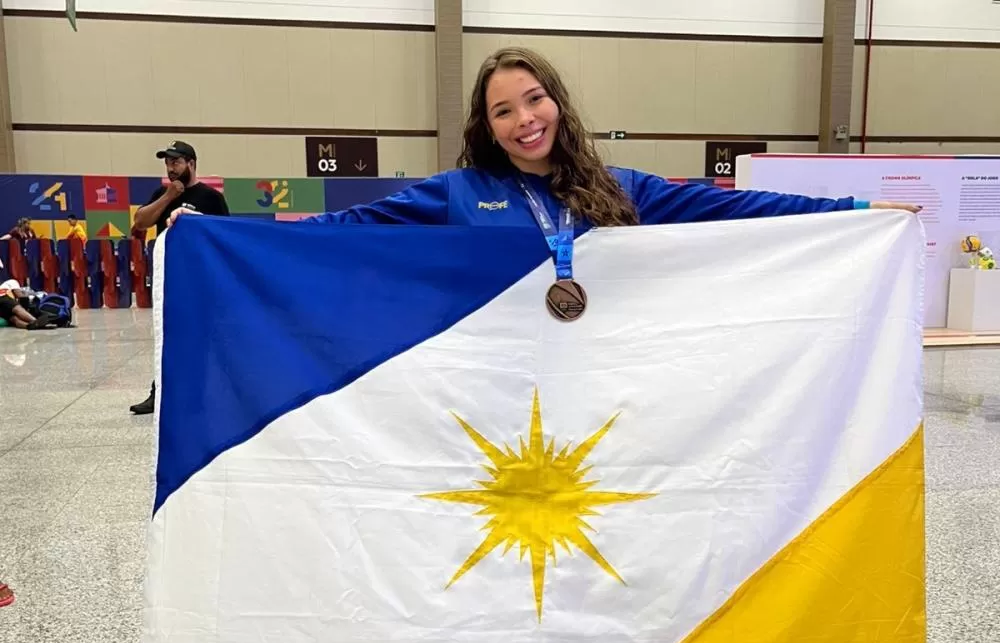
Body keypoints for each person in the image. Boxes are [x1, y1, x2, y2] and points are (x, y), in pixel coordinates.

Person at [171, 47, 918, 232]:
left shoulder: (623, 190)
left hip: (600, 385)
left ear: (558, 103)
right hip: (499, 384)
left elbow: (737, 207)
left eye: (535, 99)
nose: (525, 119)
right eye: (504, 111)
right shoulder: (456, 194)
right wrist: (225, 225)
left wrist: (857, 210)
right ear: (485, 127)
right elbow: (342, 228)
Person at [130, 140, 230, 416]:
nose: (170, 168)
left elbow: (224, 236)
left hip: (200, 280)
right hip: (169, 280)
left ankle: (212, 390)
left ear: (191, 164)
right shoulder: (161, 194)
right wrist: (167, 198)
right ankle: (159, 392)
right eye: (167, 163)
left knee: (204, 336)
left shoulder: (211, 198)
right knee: (167, 336)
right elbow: (140, 222)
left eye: (176, 162)